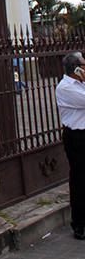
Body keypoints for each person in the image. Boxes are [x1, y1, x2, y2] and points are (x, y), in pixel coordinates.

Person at [55, 51, 85, 239]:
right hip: (77, 137)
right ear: (76, 69)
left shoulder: (81, 84)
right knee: (80, 180)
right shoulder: (65, 88)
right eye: (84, 65)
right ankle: (80, 224)